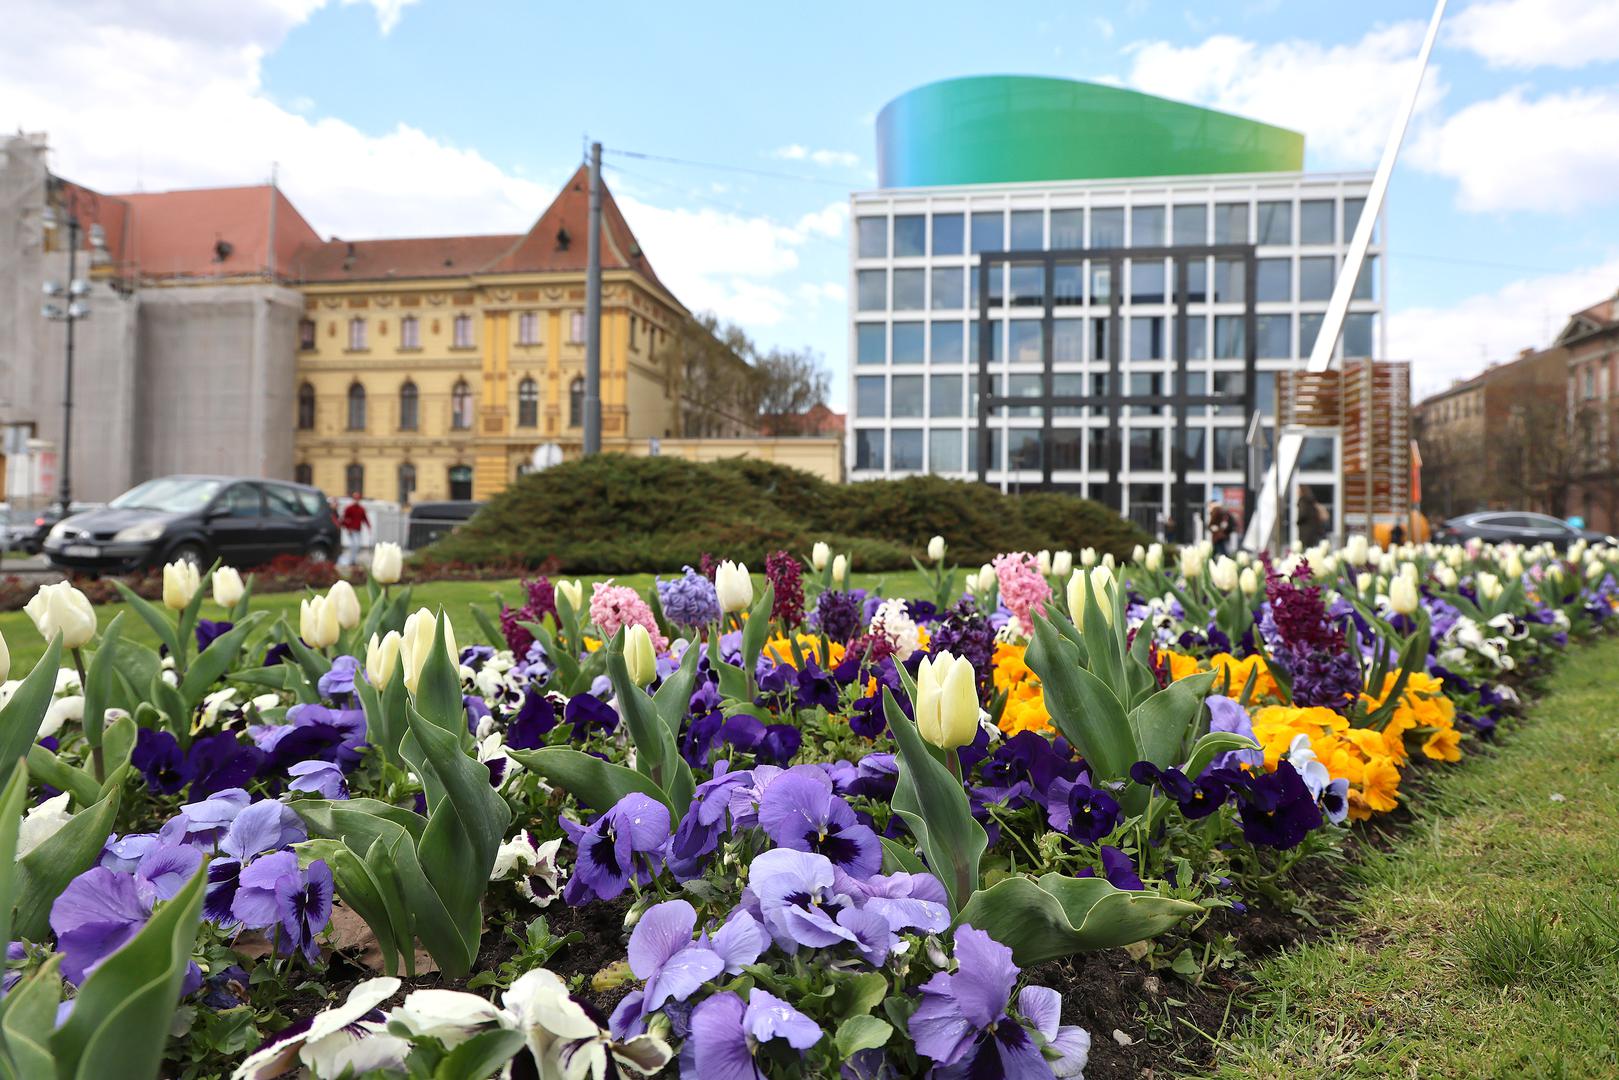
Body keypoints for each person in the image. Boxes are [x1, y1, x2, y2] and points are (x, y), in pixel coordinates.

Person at [339, 493, 370, 567]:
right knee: (354, 545)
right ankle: (352, 561)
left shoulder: (361, 509)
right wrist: (347, 527)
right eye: (355, 499)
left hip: (358, 530)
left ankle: (353, 560)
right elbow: (345, 519)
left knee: (357, 545)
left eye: (358, 499)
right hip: (351, 530)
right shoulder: (349, 508)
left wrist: (369, 526)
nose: (357, 500)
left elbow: (364, 518)